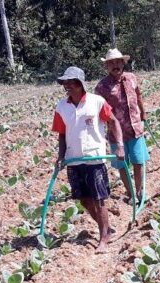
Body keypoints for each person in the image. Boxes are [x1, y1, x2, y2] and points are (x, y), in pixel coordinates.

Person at [51, 66, 125, 253]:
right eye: (64, 83)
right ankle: (106, 228)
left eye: (70, 82)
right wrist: (60, 157)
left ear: (80, 84)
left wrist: (119, 146)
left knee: (99, 199)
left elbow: (113, 122)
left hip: (94, 157)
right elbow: (61, 134)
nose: (66, 86)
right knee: (84, 200)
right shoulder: (62, 107)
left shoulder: (96, 102)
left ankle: (103, 239)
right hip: (73, 159)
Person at [95, 48, 149, 203]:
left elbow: (138, 95)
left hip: (135, 129)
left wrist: (143, 113)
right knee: (122, 165)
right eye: (111, 63)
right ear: (107, 67)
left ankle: (139, 192)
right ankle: (131, 193)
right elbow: (98, 110)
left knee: (138, 162)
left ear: (123, 63)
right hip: (116, 134)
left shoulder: (131, 78)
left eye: (118, 62)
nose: (115, 65)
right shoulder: (101, 87)